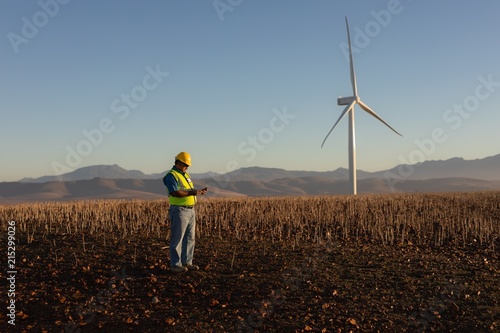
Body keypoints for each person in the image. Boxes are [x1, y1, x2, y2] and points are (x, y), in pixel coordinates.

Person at [163, 152, 208, 274]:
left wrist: (197, 192)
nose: (187, 167)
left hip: (190, 209)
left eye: (188, 165)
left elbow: (188, 191)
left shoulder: (185, 175)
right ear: (178, 162)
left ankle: (187, 262)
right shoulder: (171, 176)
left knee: (190, 238)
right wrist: (193, 192)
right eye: (185, 164)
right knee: (178, 238)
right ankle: (175, 265)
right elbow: (175, 192)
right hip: (179, 210)